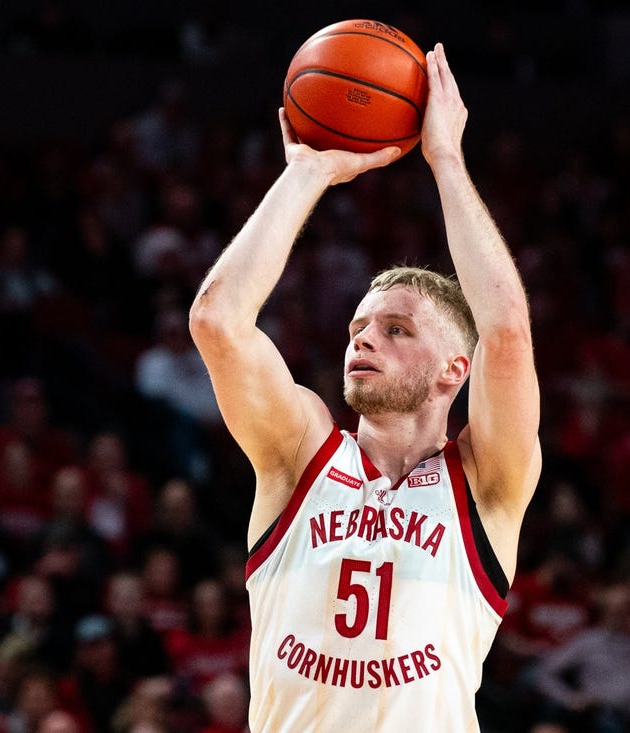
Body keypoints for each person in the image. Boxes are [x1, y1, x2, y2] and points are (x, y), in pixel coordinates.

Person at [188, 44, 541, 731]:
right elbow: (216, 321)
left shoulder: (486, 484)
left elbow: (506, 333)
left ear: (452, 370)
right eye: (358, 325)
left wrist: (446, 160)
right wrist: (309, 171)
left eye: (398, 328)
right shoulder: (300, 456)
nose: (364, 337)